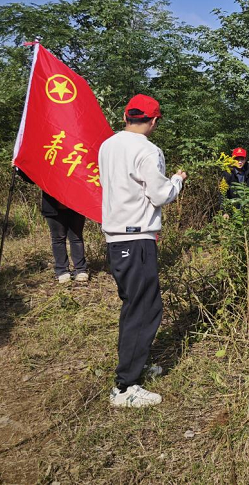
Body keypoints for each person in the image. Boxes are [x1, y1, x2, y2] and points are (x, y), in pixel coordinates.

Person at [98, 94, 187, 408]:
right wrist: (177, 180)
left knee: (132, 305)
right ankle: (125, 386)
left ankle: (135, 365)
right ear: (154, 120)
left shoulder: (107, 146)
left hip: (115, 237)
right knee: (145, 309)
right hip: (136, 238)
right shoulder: (148, 150)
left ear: (126, 116)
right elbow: (160, 194)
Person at [16, 168, 89, 283]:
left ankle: (80, 270)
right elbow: (32, 176)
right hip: (53, 206)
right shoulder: (49, 157)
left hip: (75, 204)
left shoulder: (75, 156)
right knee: (58, 239)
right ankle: (62, 271)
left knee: (76, 238)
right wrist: (19, 168)